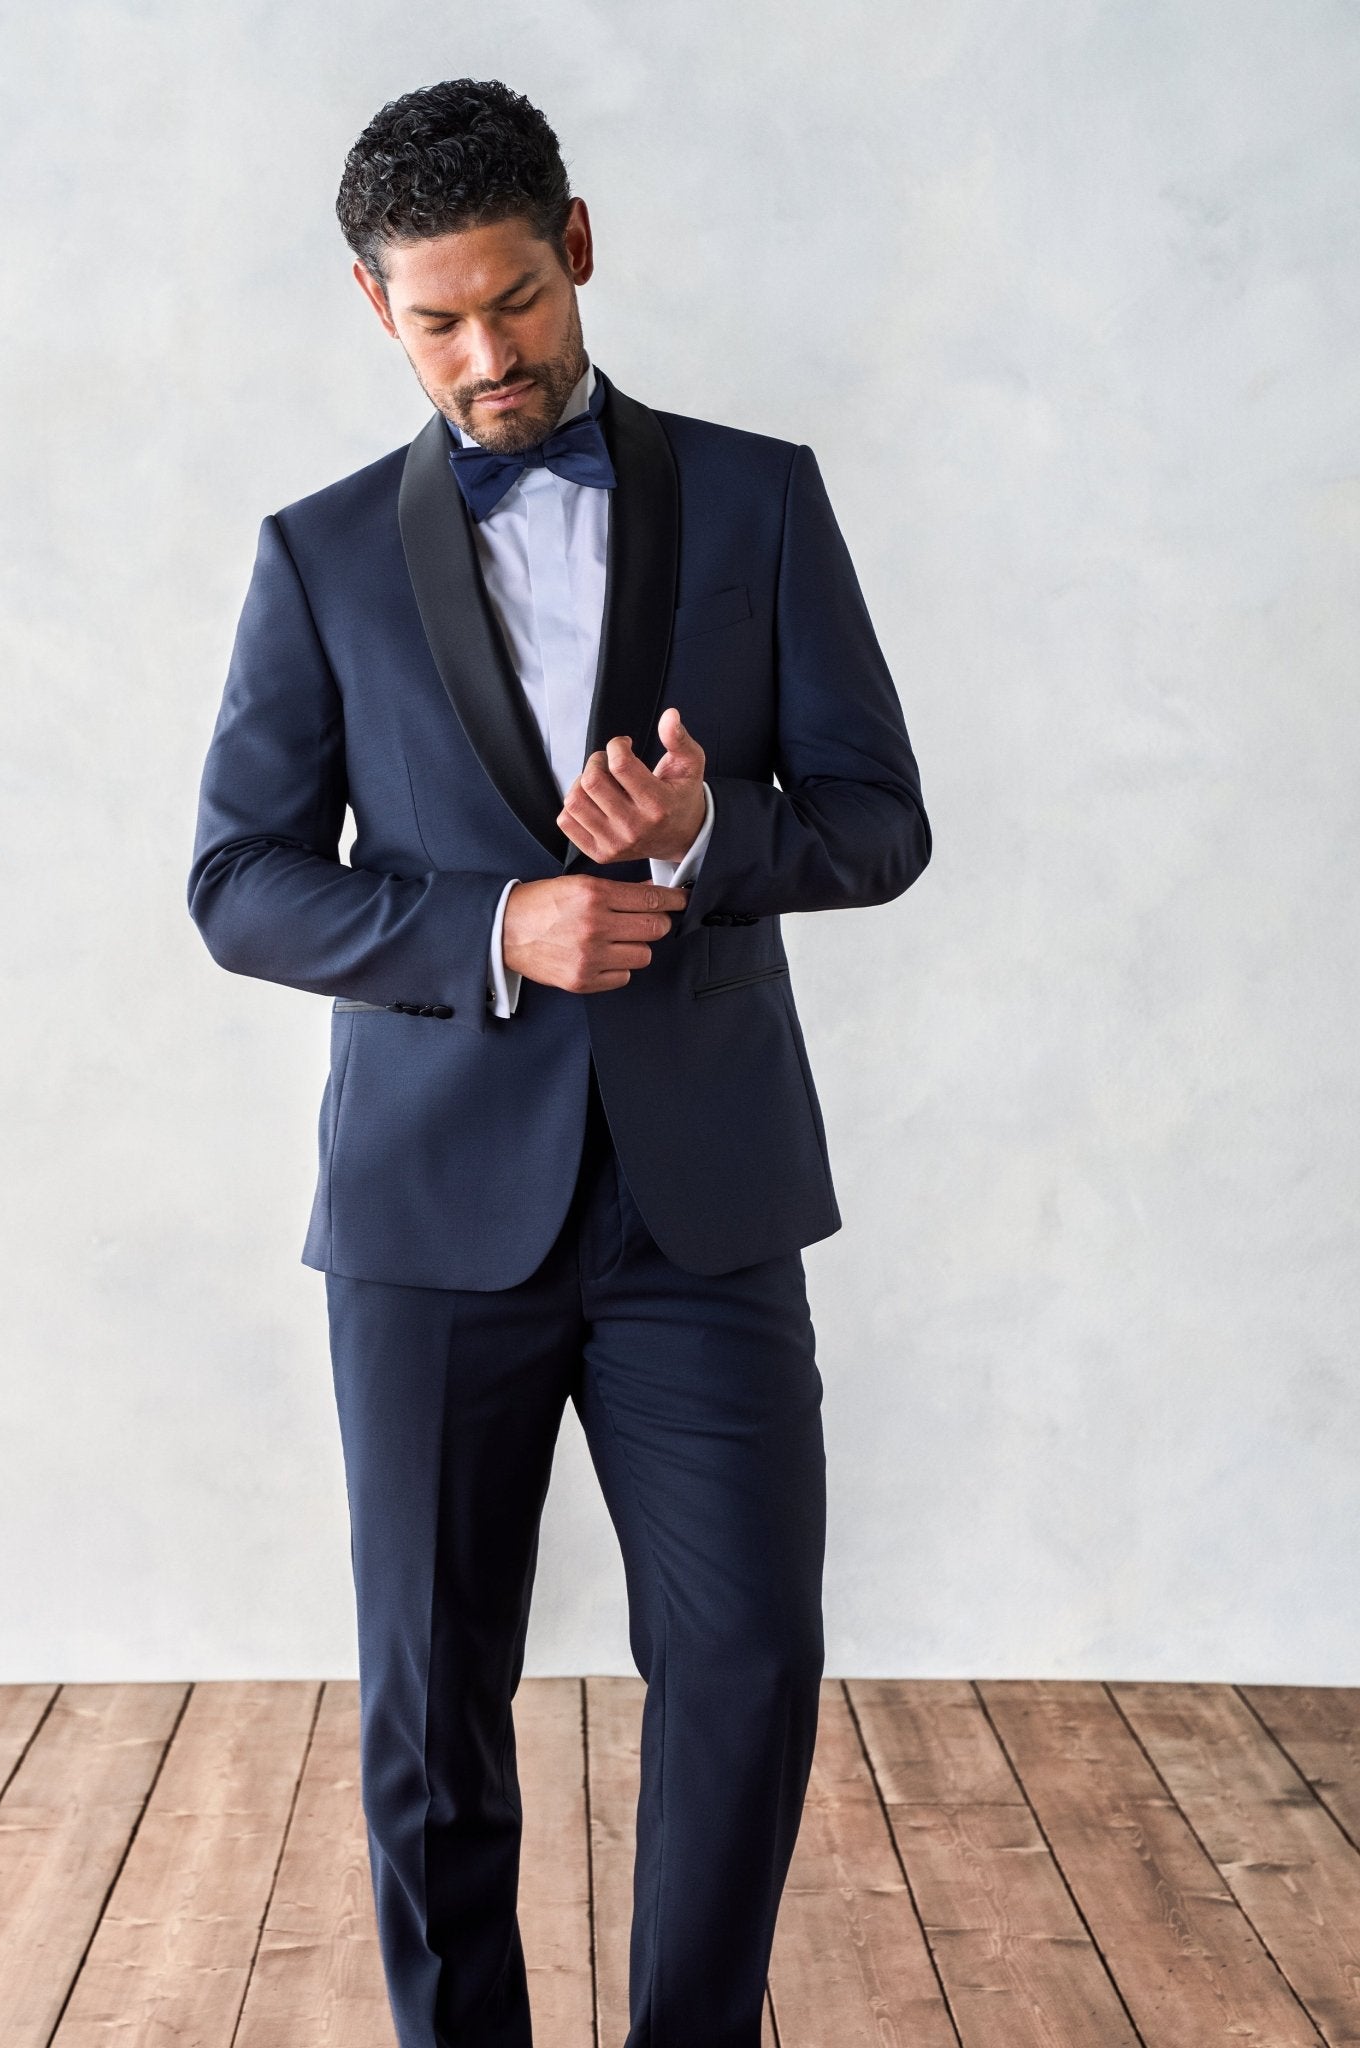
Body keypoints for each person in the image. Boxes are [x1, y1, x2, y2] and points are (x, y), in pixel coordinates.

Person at [188, 75, 931, 2048]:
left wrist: (706, 836)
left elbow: (879, 822)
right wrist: (492, 928)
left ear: (577, 245)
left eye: (514, 299)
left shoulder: (761, 501)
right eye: (436, 319)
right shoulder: (319, 556)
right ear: (375, 306)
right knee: (435, 1702)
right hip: (431, 1217)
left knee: (748, 1663)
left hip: (706, 1207)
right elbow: (240, 884)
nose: (486, 355)